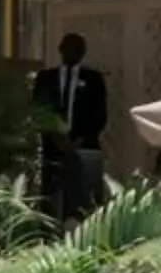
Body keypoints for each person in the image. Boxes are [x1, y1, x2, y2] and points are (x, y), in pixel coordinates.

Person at [33, 33, 109, 220]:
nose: (72, 52)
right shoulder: (45, 78)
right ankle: (48, 233)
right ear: (60, 49)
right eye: (68, 47)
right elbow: (39, 110)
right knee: (51, 199)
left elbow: (100, 114)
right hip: (53, 149)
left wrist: (78, 140)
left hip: (84, 149)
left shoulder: (94, 79)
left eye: (77, 48)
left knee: (83, 198)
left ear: (83, 52)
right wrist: (56, 138)